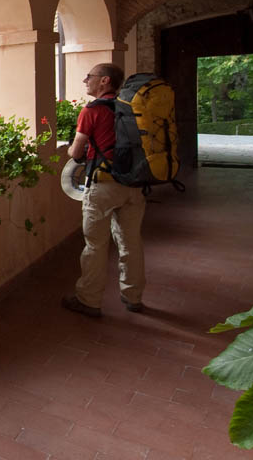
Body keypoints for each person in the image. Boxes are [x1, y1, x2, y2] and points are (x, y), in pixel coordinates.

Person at [62, 63, 147, 317]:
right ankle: (133, 297)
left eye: (90, 77)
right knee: (131, 242)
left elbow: (76, 152)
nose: (85, 80)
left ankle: (89, 300)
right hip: (134, 183)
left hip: (104, 184)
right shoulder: (131, 107)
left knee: (95, 245)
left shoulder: (92, 110)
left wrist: (72, 150)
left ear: (104, 81)